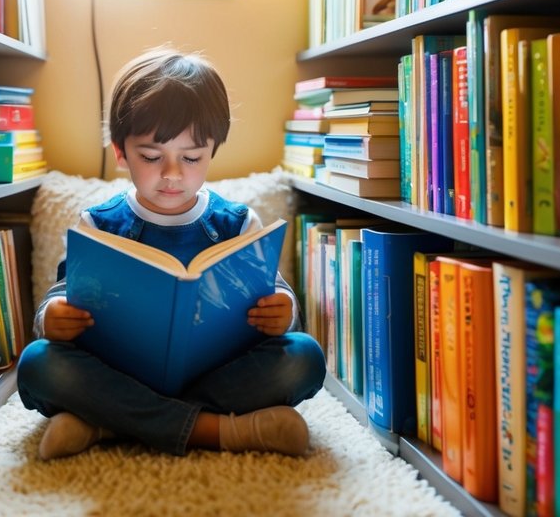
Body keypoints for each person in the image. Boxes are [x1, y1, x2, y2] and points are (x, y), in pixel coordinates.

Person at [17, 47, 327, 460]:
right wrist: (52, 317)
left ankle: (107, 422)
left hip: (217, 373)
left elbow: (281, 304)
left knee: (303, 358)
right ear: (120, 152)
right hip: (119, 371)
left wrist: (283, 310)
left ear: (213, 150)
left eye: (191, 157)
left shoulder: (236, 223)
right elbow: (60, 296)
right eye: (151, 156)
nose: (172, 174)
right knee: (40, 364)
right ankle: (225, 431)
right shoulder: (98, 224)